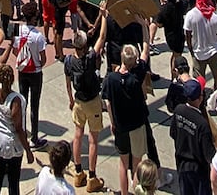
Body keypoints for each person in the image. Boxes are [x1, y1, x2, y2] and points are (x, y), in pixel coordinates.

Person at [103, 43, 156, 195]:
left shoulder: (111, 79)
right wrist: (144, 29)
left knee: (123, 163)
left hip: (121, 127)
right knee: (136, 163)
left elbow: (108, 103)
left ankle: (124, 193)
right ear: (134, 61)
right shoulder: (136, 76)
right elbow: (146, 52)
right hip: (137, 125)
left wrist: (113, 123)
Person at [63, 21, 106, 191]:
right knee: (93, 139)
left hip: (78, 101)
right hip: (93, 101)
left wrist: (70, 99)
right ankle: (92, 177)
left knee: (78, 134)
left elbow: (67, 83)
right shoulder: (90, 58)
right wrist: (103, 17)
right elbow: (102, 37)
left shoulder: (68, 61)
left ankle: (79, 172)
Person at [0, 63, 35, 195]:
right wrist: (28, 150)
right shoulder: (15, 101)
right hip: (11, 143)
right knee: (13, 180)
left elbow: (0, 65)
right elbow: (19, 129)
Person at [14, 2, 50, 149]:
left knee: (23, 102)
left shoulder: (18, 31)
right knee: (35, 106)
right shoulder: (38, 36)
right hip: (35, 73)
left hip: (22, 71)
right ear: (34, 17)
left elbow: (15, 51)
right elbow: (43, 58)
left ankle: (21, 133)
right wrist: (37, 65)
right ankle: (34, 138)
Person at [171, 78, 215, 195]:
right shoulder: (202, 123)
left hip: (182, 165)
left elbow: (173, 133)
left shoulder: (178, 110)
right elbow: (209, 154)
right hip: (198, 171)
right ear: (200, 98)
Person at [185, 0, 217, 83]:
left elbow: (188, 35)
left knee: (199, 82)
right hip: (214, 51)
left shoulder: (190, 15)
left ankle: (201, 97)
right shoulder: (216, 15)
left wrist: (191, 49)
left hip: (198, 53)